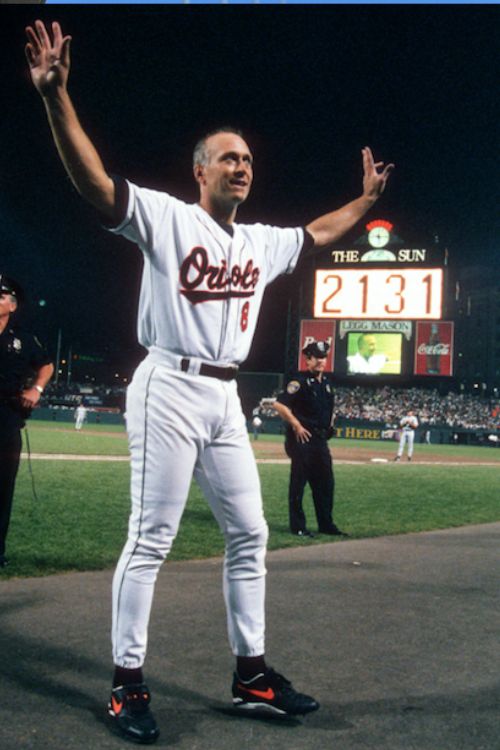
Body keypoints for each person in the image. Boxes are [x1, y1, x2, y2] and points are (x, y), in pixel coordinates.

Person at [25, 20, 393, 745]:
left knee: (250, 533)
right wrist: (55, 98)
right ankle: (126, 684)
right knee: (151, 537)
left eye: (248, 158)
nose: (242, 166)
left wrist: (365, 198)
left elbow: (318, 233)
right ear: (200, 171)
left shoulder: (258, 243)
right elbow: (95, 184)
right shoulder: (165, 218)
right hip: (167, 383)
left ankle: (251, 673)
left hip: (223, 396)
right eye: (228, 158)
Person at [0, 275, 54, 568]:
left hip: (7, 417)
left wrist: (37, 389)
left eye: (1, 296)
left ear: (12, 304)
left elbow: (46, 366)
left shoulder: (22, 339)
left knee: (3, 486)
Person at [273, 341, 347, 538]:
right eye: (316, 357)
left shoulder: (327, 384)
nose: (321, 361)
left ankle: (326, 524)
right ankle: (298, 527)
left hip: (320, 440)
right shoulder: (299, 381)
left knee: (326, 483)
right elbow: (280, 405)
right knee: (299, 483)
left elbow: (330, 409)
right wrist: (297, 425)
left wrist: (330, 424)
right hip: (302, 439)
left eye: (323, 357)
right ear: (308, 360)